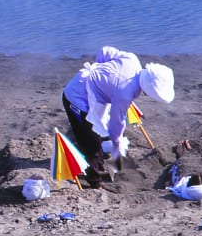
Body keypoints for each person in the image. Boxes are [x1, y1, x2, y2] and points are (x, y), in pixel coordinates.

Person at [62, 45, 175, 188]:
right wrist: (117, 143)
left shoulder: (132, 60)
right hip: (76, 98)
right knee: (90, 142)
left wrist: (105, 79)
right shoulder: (125, 93)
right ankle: (95, 182)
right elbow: (116, 122)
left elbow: (105, 51)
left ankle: (99, 160)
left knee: (97, 132)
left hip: (85, 84)